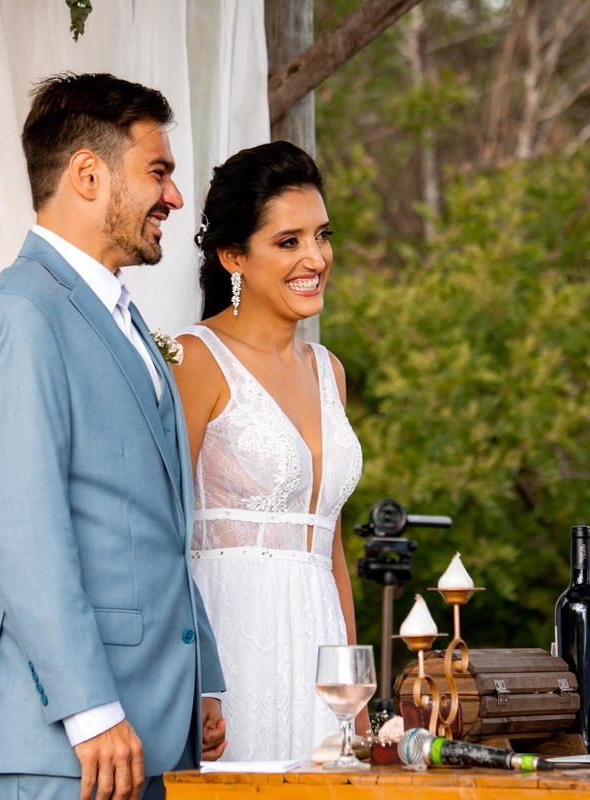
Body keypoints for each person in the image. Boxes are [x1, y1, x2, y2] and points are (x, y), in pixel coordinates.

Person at [0, 73, 227, 800]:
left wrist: (202, 677)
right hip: (66, 743)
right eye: (158, 172)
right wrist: (89, 710)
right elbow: (20, 532)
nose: (175, 198)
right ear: (88, 174)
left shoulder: (124, 322)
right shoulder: (17, 313)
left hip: (154, 726)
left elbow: (157, 525)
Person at [171, 141, 364, 761]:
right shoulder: (194, 360)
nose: (315, 258)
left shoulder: (329, 371)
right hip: (229, 649)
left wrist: (355, 701)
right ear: (233, 256)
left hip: (320, 656)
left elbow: (330, 550)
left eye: (322, 235)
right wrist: (199, 680)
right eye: (288, 241)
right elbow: (162, 534)